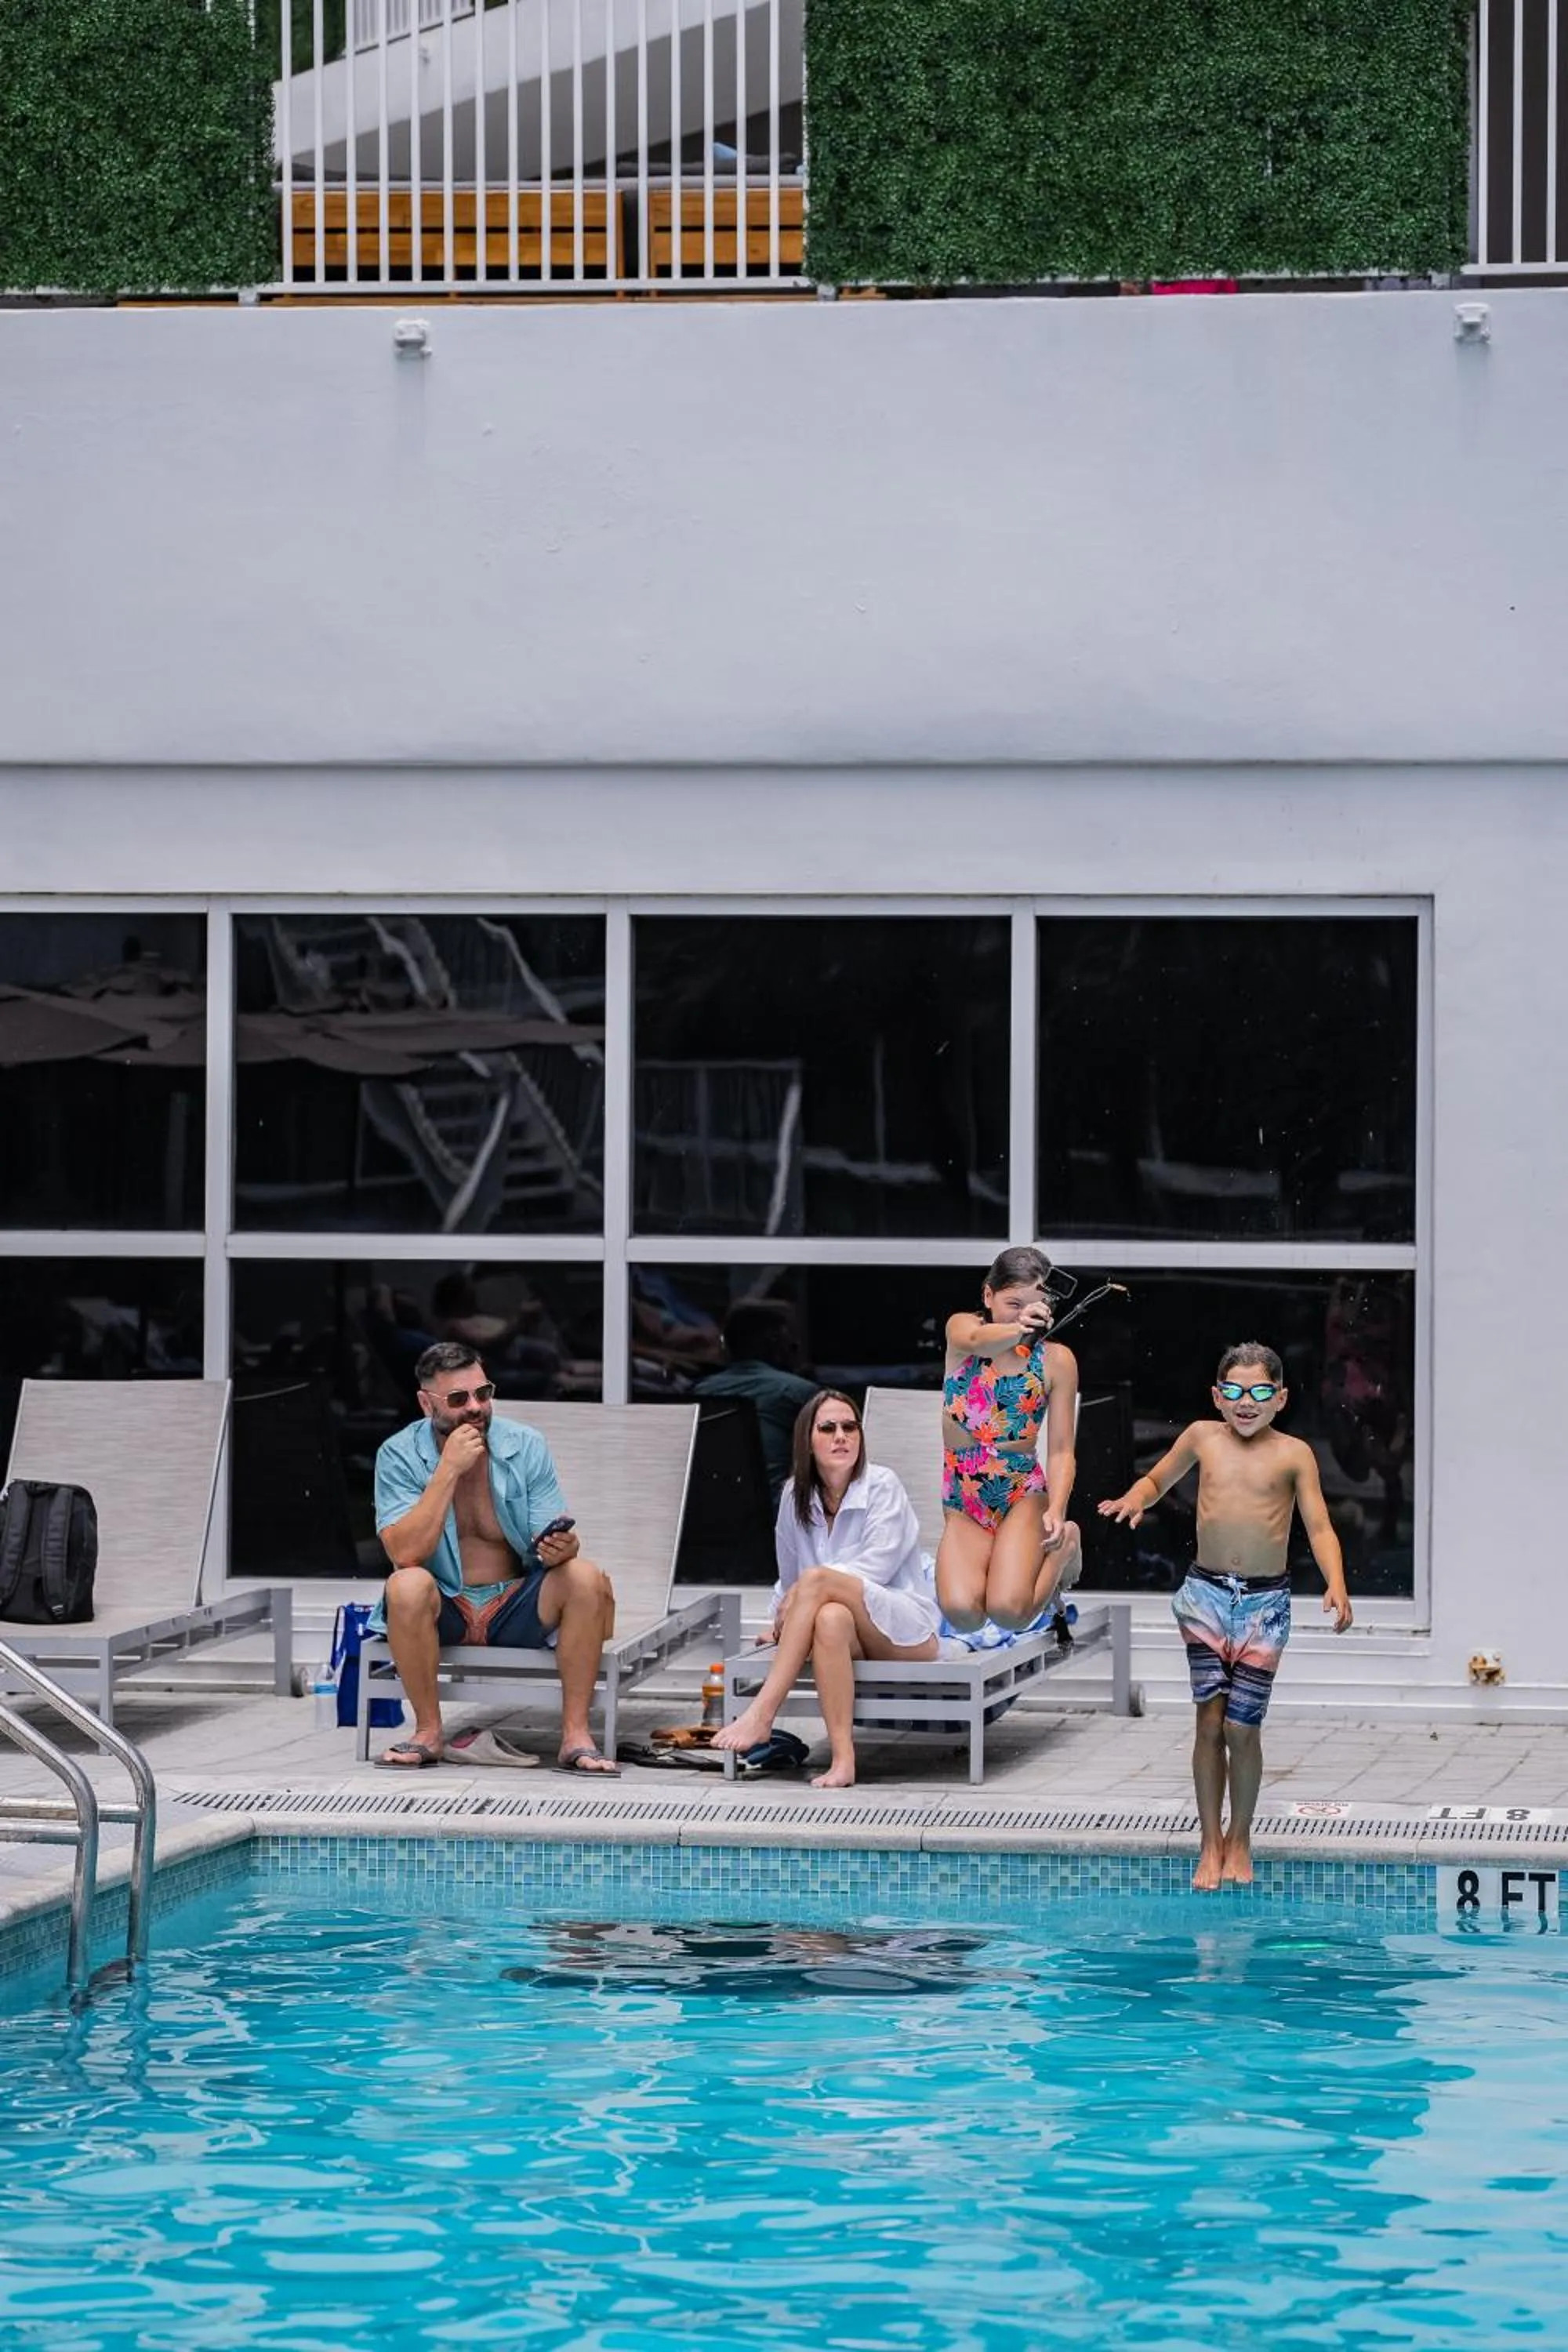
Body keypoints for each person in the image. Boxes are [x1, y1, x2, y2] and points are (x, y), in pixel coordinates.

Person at [1098, 1342, 1353, 1890]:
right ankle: (1209, 1844)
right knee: (1209, 1721)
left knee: (1243, 1725)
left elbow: (1320, 1526)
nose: (1245, 1402)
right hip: (1205, 1596)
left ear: (1280, 1398)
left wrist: (1336, 1581)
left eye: (1260, 1392)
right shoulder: (1201, 1437)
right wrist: (1135, 1498)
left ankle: (1241, 1836)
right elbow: (1157, 1478)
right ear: (1217, 1395)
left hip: (1264, 1605)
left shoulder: (1294, 1454)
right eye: (1234, 1391)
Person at [369, 1341, 619, 1775]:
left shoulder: (525, 1444)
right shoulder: (398, 1454)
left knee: (585, 1576)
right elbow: (403, 1552)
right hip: (443, 1603)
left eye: (483, 1394)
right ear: (426, 1403)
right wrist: (448, 1470)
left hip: (515, 1602)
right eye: (458, 1399)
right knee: (404, 1586)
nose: (475, 1408)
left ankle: (575, 1736)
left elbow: (552, 1531)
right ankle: (429, 1733)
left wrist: (565, 1548)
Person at [711, 1390, 941, 1789]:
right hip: (845, 1628)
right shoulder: (793, 1496)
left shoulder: (883, 1485)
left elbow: (877, 1569)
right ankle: (843, 1760)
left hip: (905, 1627)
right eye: (829, 1428)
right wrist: (783, 1616)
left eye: (850, 1427)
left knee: (818, 1582)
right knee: (830, 1618)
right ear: (807, 1440)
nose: (841, 1436)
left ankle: (763, 1713)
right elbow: (788, 1575)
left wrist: (801, 1597)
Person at [936, 1246, 1081, 1635]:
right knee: (962, 1614)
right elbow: (977, 1338)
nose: (1024, 1313)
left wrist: (1058, 1508)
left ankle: (1065, 1546)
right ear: (988, 1296)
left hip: (1021, 1492)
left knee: (1008, 1612)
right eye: (1013, 1303)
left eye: (1035, 1306)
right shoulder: (963, 1331)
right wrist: (1019, 1329)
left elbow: (1062, 1449)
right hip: (965, 1497)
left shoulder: (1057, 1360)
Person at [693, 1299, 818, 1499]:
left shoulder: (700, 1391)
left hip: (710, 1513)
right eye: (792, 1337)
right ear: (775, 1341)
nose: (797, 1346)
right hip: (776, 1518)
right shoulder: (799, 1392)